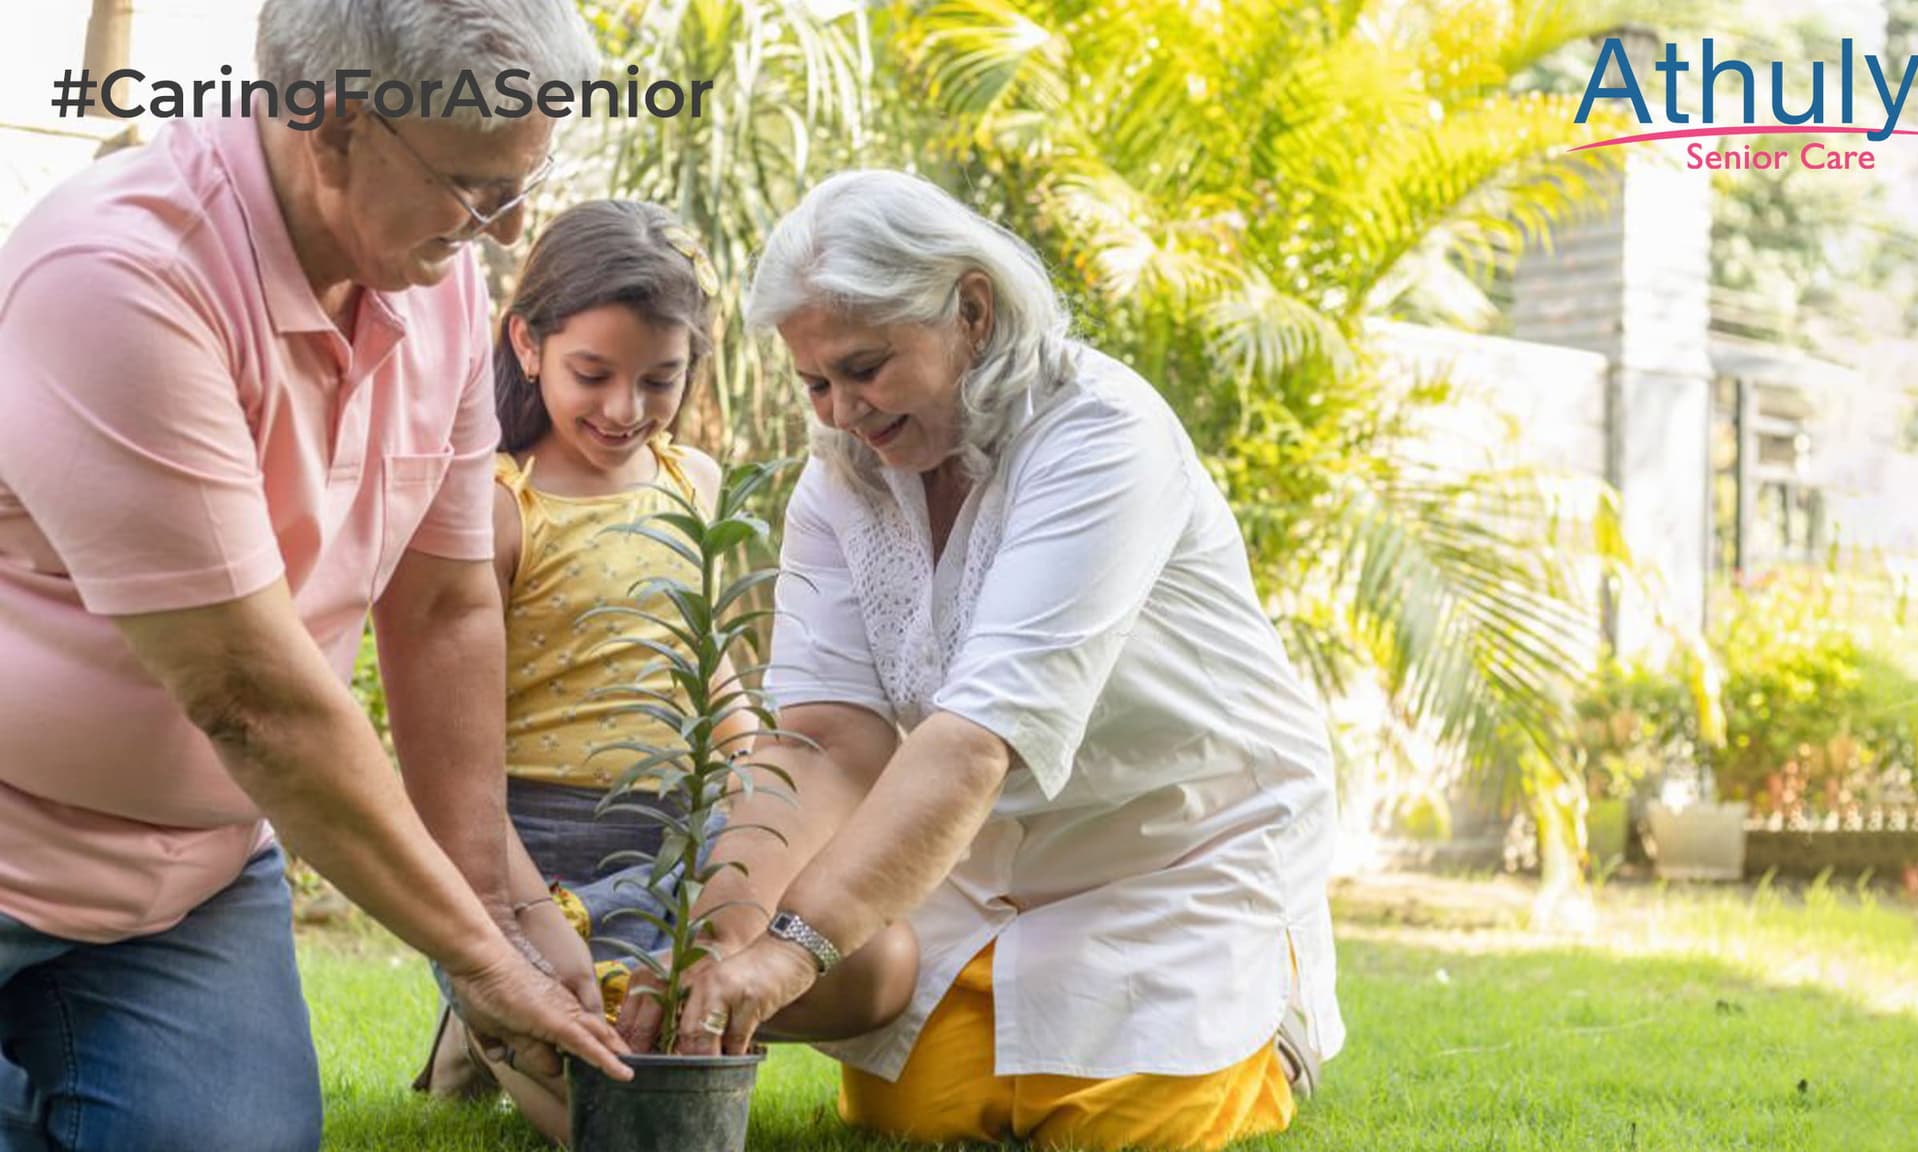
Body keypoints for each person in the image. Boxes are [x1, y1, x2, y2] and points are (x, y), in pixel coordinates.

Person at [0, 3, 631, 1148]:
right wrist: (477, 960)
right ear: (334, 127)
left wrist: (502, 905)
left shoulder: (430, 282)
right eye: (476, 186)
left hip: (183, 888)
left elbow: (441, 609)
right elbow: (252, 701)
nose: (507, 228)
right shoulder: (121, 275)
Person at [623, 169, 1345, 1152]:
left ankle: (1272, 1023)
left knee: (1104, 1129)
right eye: (815, 382)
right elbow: (823, 742)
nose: (840, 410)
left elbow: (974, 744)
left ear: (971, 308)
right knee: (920, 1117)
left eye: (865, 367)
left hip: (1178, 849)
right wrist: (716, 946)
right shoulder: (836, 481)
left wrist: (792, 952)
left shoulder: (1100, 434)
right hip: (980, 860)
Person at [416, 199, 920, 1145]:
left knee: (878, 967)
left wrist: (751, 791)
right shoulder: (496, 508)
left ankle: (534, 1026)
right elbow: (460, 775)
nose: (624, 410)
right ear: (526, 344)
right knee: (623, 1112)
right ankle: (495, 1013)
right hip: (539, 851)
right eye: (591, 374)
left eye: (659, 379)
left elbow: (708, 666)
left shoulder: (692, 480)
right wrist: (524, 919)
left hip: (687, 832)